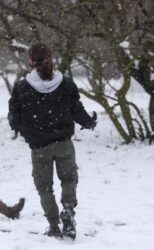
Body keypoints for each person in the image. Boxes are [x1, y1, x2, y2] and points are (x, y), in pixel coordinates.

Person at [8, 43, 97, 240]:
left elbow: (14, 117)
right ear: (51, 58)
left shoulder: (22, 87)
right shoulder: (65, 84)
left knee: (44, 187)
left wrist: (21, 129)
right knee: (69, 179)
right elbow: (77, 110)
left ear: (31, 61)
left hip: (39, 146)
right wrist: (89, 121)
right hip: (64, 143)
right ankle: (68, 210)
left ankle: (53, 225)